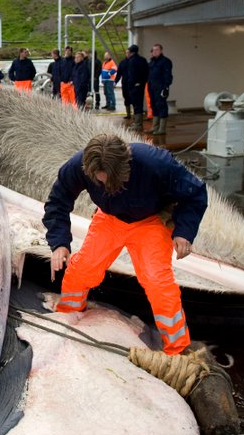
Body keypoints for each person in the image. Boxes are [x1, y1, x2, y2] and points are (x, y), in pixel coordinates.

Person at [43, 134, 207, 355]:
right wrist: (59, 242)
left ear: (126, 164)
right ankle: (68, 315)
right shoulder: (78, 165)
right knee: (82, 268)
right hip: (109, 219)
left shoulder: (156, 163)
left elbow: (195, 193)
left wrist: (184, 232)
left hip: (151, 221)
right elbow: (58, 201)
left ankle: (177, 349)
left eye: (113, 181)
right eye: (101, 181)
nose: (107, 186)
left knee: (157, 281)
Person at [120, 45, 149, 130]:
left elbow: (132, 75)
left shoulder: (131, 61)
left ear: (131, 52)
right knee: (139, 103)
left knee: (136, 104)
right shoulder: (143, 60)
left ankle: (138, 124)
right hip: (141, 85)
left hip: (133, 86)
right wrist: (142, 82)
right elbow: (147, 72)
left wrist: (133, 83)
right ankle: (137, 123)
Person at [147, 44, 174, 135]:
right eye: (153, 50)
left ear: (161, 51)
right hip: (151, 87)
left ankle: (162, 129)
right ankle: (155, 127)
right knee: (154, 106)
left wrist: (166, 87)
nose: (154, 51)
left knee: (161, 106)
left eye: (157, 50)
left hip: (160, 87)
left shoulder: (165, 61)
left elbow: (168, 75)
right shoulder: (151, 62)